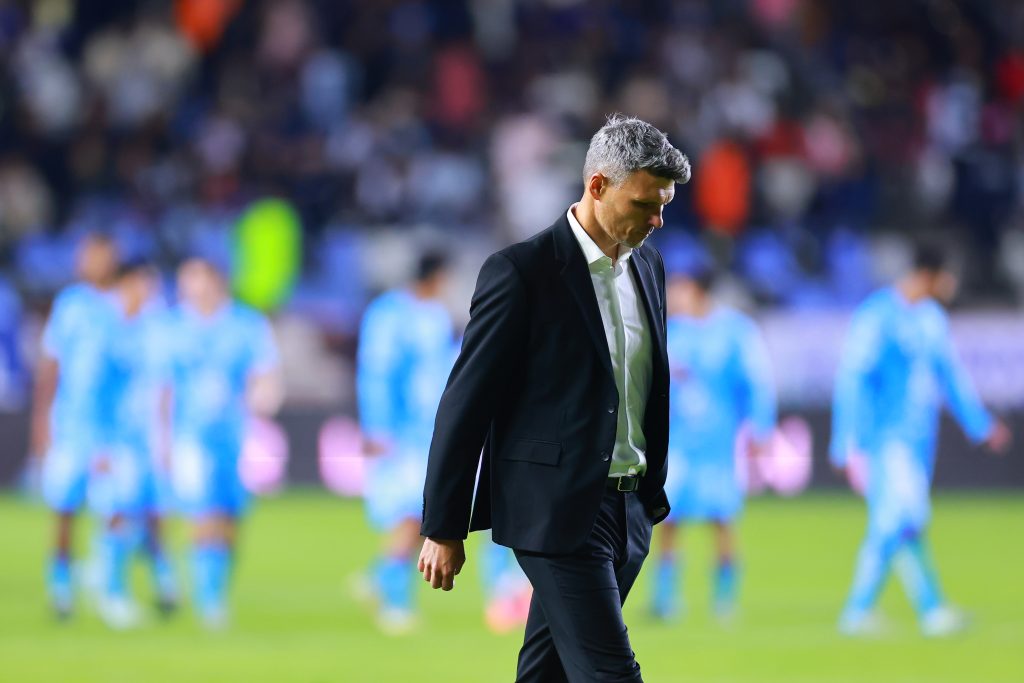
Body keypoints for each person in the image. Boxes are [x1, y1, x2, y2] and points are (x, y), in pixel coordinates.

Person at [418, 114, 691, 682]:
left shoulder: (650, 267)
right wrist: (444, 524)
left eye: (664, 204)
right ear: (597, 186)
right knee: (611, 674)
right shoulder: (521, 273)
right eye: (645, 203)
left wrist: (644, 499)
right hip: (557, 510)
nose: (658, 219)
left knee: (548, 675)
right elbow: (465, 403)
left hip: (629, 510)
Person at [830, 244, 1012, 637]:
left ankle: (931, 611)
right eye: (948, 276)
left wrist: (980, 425)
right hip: (883, 439)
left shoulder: (931, 320)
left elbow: (952, 377)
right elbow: (852, 379)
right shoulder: (878, 316)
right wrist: (844, 439)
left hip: (917, 441)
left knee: (908, 522)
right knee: (895, 519)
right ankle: (858, 612)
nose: (953, 284)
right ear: (930, 275)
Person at [650, 266, 776, 621]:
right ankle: (665, 598)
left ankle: (725, 599)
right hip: (676, 445)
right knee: (667, 520)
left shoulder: (735, 332)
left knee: (721, 520)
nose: (673, 296)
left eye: (680, 289)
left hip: (718, 446)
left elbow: (756, 383)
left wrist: (760, 430)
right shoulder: (670, 331)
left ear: (698, 291)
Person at [163, 257, 282, 629]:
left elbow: (264, 372)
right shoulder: (174, 326)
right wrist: (162, 437)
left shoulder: (245, 324)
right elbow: (163, 388)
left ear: (215, 281)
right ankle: (206, 599)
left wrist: (262, 401)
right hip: (190, 435)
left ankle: (217, 587)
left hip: (234, 432)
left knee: (230, 516)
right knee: (202, 513)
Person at [355, 252, 457, 634]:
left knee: (420, 517)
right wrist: (377, 428)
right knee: (412, 517)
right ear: (436, 275)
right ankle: (393, 600)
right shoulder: (388, 315)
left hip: (430, 432)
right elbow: (376, 373)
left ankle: (380, 579)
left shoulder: (435, 316)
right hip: (398, 434)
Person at [31, 233, 119, 619]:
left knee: (114, 508)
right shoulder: (70, 305)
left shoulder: (123, 303)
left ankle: (107, 582)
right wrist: (41, 421)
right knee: (64, 508)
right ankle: (60, 585)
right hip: (70, 423)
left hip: (112, 428)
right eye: (88, 256)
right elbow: (50, 365)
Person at [90, 260, 178, 628]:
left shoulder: (154, 330)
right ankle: (112, 592)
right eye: (144, 284)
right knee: (119, 511)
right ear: (126, 284)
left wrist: (165, 439)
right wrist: (100, 445)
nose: (150, 293)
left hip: (148, 438)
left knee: (152, 512)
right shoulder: (106, 331)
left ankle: (161, 579)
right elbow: (95, 391)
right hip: (118, 439)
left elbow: (164, 389)